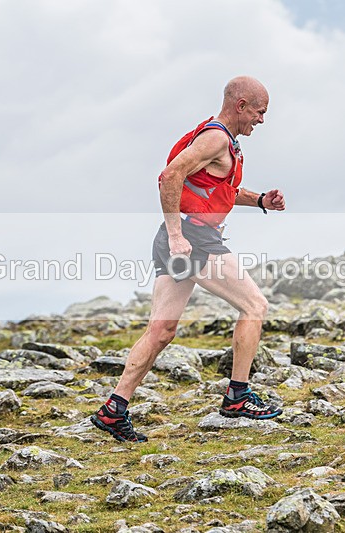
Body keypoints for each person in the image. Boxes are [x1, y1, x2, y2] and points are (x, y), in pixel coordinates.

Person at [91, 76, 286, 442]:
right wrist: (179, 235)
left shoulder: (221, 140)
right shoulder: (215, 138)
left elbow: (219, 190)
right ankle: (237, 397)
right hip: (191, 239)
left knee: (161, 331)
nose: (261, 120)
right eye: (260, 112)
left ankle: (113, 411)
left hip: (175, 238)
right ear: (241, 105)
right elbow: (170, 177)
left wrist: (260, 200)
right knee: (255, 306)